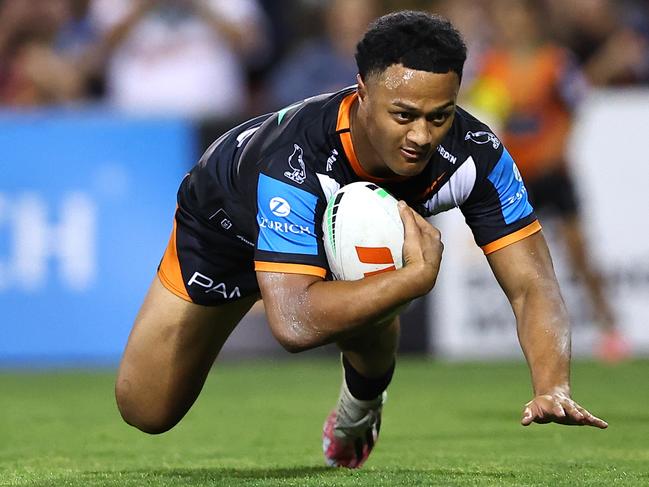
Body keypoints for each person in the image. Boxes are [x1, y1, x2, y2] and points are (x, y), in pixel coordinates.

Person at [115, 11, 607, 470]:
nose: (421, 136)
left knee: (364, 240)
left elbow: (533, 283)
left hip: (333, 242)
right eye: (404, 114)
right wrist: (412, 279)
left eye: (440, 116)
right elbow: (291, 325)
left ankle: (361, 404)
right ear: (361, 93)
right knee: (146, 409)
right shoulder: (298, 157)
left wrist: (552, 385)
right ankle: (323, 302)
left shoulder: (476, 154)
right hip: (223, 230)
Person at [466, 0, 629, 362]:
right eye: (504, 18)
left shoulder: (555, 61)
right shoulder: (492, 64)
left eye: (516, 17)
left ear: (532, 21)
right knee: (521, 256)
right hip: (518, 174)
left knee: (578, 253)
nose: (511, 26)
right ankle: (537, 333)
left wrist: (560, 144)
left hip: (553, 171)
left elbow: (576, 101)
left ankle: (609, 325)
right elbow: (479, 103)